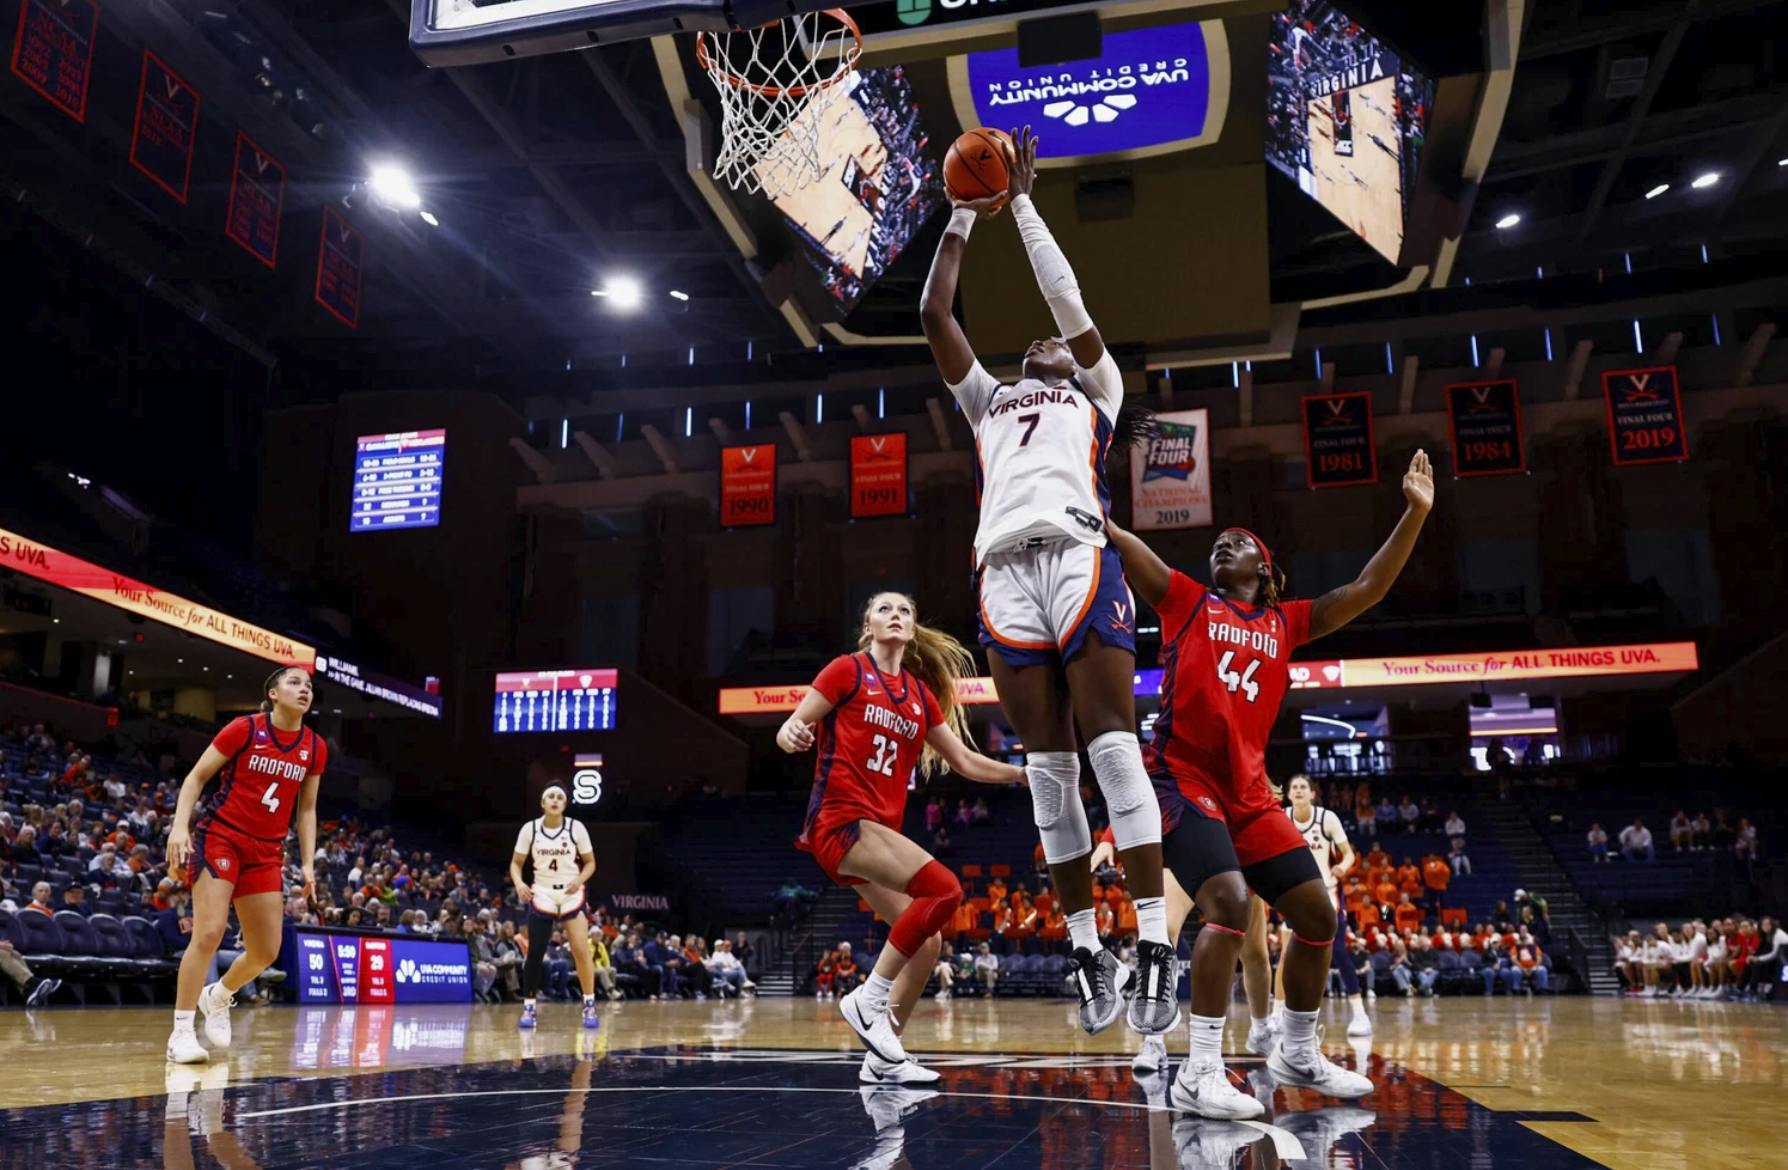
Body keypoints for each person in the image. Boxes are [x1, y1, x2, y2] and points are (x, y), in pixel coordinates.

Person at [921, 125, 1177, 1036]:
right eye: (1042, 343)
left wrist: (1019, 202)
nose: (1048, 342)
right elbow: (934, 319)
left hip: (1076, 556)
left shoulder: (1096, 392)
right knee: (1048, 774)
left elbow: (1066, 300)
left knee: (1112, 748)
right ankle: (1085, 951)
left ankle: (1153, 941)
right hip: (1003, 576)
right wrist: (959, 215)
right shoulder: (989, 398)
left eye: (1062, 344)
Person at [1104, 446, 1433, 1118]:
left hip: (1249, 793)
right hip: (1182, 776)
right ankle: (1198, 1069)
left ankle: (1297, 1050)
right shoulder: (1188, 602)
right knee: (1226, 902)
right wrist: (1097, 516)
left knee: (1317, 913)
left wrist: (1415, 514)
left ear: (1266, 570)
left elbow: (1367, 589)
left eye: (1239, 543)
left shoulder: (1286, 623)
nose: (1222, 546)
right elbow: (1135, 552)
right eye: (1217, 544)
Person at [778, 591, 1027, 1084]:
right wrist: (791, 733)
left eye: (905, 611)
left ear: (912, 631)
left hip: (874, 833)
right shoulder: (845, 671)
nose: (896, 616)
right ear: (867, 625)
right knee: (946, 889)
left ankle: (882, 1055)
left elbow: (966, 762)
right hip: (840, 821)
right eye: (885, 609)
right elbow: (793, 725)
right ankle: (868, 997)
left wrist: (1022, 775)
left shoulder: (917, 694)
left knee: (928, 942)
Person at [163, 666, 324, 1064]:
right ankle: (181, 1032)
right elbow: (196, 777)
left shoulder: (315, 747)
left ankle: (218, 996)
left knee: (266, 951)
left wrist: (307, 865)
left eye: (308, 686)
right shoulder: (245, 729)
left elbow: (307, 810)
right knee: (210, 932)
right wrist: (179, 827)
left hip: (267, 851)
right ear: (272, 693)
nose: (304, 690)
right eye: (294, 683)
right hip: (222, 837)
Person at [1275, 776, 1369, 1037]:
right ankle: (1277, 1016)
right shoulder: (1282, 818)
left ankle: (1360, 1015)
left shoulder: (1327, 818)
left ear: (1313, 794)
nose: (1298, 790)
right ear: (1289, 795)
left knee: (1338, 951)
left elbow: (1348, 853)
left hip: (1326, 892)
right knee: (1286, 955)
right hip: (1294, 894)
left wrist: (1343, 866)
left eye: (1303, 787)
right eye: (1294, 787)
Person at [510, 785, 601, 1028]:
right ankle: (529, 1008)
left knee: (581, 950)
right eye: (550, 796)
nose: (555, 800)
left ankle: (589, 1005)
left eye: (560, 797)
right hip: (543, 891)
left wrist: (579, 880)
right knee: (536, 952)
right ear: (542, 803)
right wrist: (519, 883)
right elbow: (516, 863)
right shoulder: (529, 829)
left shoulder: (575, 827)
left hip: (571, 892)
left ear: (565, 804)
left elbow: (591, 863)